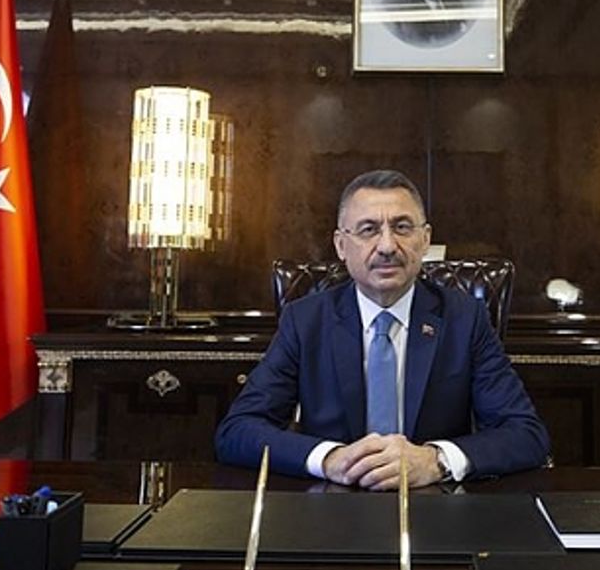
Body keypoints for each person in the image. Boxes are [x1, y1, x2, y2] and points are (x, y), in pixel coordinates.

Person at [215, 169, 550, 490]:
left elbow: (526, 434)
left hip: (435, 505)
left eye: (402, 227)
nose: (387, 245)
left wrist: (436, 460)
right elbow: (237, 430)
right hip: (331, 506)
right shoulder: (305, 321)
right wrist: (329, 459)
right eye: (368, 230)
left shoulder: (465, 318)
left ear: (425, 240)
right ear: (341, 245)